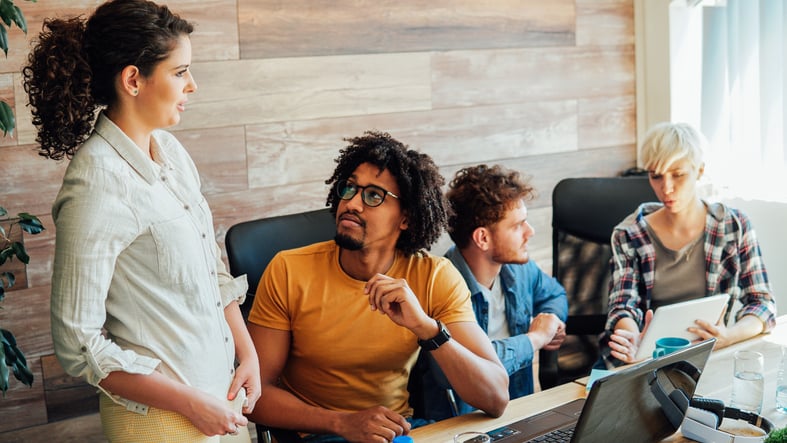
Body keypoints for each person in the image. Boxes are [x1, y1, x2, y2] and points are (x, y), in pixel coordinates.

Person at [22, 1, 260, 440]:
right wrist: (192, 403)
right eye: (179, 71)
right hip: (159, 425)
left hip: (220, 406)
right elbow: (79, 345)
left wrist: (247, 354)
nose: (193, 85)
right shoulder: (95, 184)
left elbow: (211, 268)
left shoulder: (170, 151)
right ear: (133, 79)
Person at [246, 131, 509, 442]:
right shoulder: (289, 270)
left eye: (373, 196)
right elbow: (254, 394)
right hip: (316, 434)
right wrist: (342, 423)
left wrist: (427, 329)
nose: (352, 203)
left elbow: (495, 398)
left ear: (406, 219)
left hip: (399, 432)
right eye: (350, 188)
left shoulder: (434, 276)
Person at [599, 122, 777, 367]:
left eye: (678, 174)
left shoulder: (734, 226)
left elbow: (762, 304)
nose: (666, 188)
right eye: (656, 176)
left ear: (700, 171)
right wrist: (632, 337)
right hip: (645, 360)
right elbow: (622, 306)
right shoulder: (629, 234)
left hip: (708, 356)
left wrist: (728, 337)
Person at [421, 164, 568, 420]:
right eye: (518, 225)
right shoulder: (440, 287)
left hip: (520, 415)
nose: (530, 232)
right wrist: (535, 339)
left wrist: (551, 320)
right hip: (464, 426)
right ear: (483, 239)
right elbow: (471, 369)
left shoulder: (519, 270)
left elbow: (554, 295)